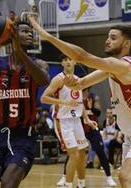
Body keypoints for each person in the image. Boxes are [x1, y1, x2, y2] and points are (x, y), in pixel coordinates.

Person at [29, 17, 131, 188]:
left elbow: (81, 56)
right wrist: (72, 82)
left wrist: (47, 36)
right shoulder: (112, 69)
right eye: (108, 37)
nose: (108, 40)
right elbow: (81, 84)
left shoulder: (123, 66)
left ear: (126, 44)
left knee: (125, 176)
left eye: (114, 37)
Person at [0, 20, 49, 188]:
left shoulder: (39, 64)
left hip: (23, 137)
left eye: (30, 32)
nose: (29, 34)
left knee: (8, 183)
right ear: (11, 35)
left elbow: (42, 80)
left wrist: (20, 52)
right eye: (24, 31)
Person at [40, 55, 97, 188]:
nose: (68, 62)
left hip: (76, 121)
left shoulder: (79, 80)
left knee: (83, 153)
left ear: (75, 62)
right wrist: (63, 102)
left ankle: (81, 185)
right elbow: (44, 98)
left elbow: (80, 102)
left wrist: (87, 119)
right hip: (63, 121)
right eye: (65, 60)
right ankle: (68, 185)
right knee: (74, 154)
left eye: (70, 59)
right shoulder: (58, 79)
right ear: (62, 63)